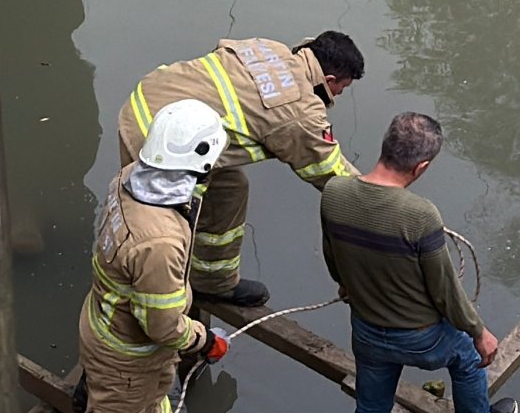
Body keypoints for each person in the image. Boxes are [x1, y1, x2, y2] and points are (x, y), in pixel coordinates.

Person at [320, 112, 518, 413]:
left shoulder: (334, 193)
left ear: (385, 146)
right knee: (465, 357)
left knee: (372, 409)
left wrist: (347, 283)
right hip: (421, 338)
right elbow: (445, 288)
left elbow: (332, 256)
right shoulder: (420, 214)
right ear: (422, 166)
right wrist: (478, 331)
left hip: (368, 333)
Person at [71, 100, 233, 413]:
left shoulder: (126, 181)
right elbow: (161, 327)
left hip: (111, 328)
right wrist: (203, 339)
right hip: (128, 354)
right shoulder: (158, 240)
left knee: (154, 396)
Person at [117, 31, 365, 307]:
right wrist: (376, 195)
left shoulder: (269, 48)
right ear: (329, 80)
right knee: (166, 229)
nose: (337, 98)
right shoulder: (299, 109)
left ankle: (214, 283)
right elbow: (328, 171)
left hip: (148, 100)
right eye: (340, 90)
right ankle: (166, 304)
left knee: (230, 189)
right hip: (162, 140)